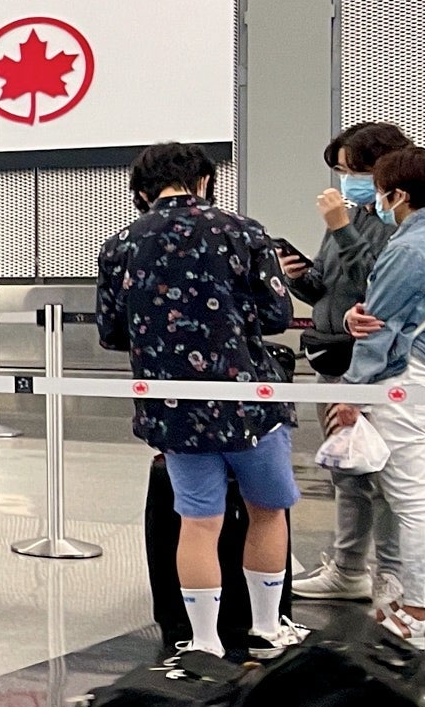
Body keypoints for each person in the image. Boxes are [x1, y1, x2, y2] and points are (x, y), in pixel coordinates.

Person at [98, 141, 303, 659]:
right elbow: (278, 315)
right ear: (205, 181)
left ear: (142, 192)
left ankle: (204, 639)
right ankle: (267, 627)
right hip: (250, 404)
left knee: (198, 522)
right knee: (266, 511)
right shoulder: (243, 230)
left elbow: (111, 332)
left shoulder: (121, 243)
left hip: (174, 411)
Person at [287, 121, 414, 601]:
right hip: (333, 354)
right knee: (348, 469)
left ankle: (391, 572)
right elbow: (328, 281)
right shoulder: (352, 213)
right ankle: (348, 567)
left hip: (372, 362)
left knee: (381, 473)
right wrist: (298, 277)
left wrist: (342, 228)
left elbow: (375, 283)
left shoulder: (395, 220)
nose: (343, 181)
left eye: (349, 171)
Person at [344, 144, 425, 641]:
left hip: (409, 381)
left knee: (411, 499)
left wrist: (350, 395)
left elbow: (377, 331)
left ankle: (421, 611)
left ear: (399, 194)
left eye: (380, 190)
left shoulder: (408, 249)